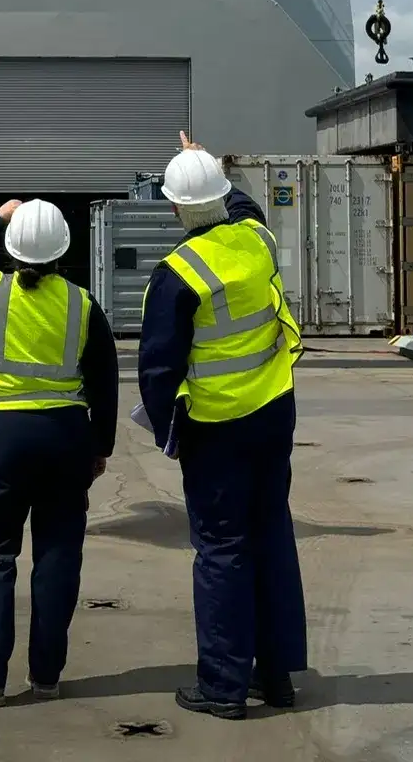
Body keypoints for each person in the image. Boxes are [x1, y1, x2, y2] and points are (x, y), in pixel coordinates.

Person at [138, 133, 306, 721]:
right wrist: (203, 162)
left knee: (221, 550)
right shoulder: (257, 242)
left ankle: (224, 686)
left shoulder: (178, 272)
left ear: (176, 208)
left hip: (216, 429)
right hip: (274, 413)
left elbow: (158, 370)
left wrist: (169, 433)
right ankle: (276, 677)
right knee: (271, 536)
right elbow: (245, 208)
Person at [0, 198, 119, 708]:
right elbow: (105, 382)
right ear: (64, 252)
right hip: (66, 437)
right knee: (58, 556)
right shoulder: (84, 305)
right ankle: (46, 676)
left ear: (12, 252)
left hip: (5, 438)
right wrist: (99, 447)